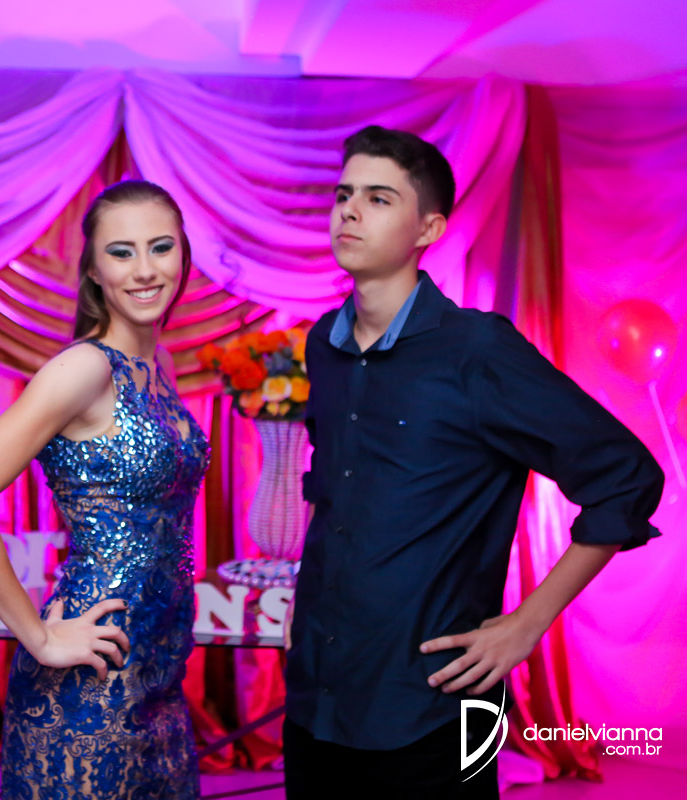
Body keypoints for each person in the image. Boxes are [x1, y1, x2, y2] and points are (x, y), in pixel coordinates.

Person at [282, 125, 664, 798]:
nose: (349, 211)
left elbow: (625, 477)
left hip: (440, 699)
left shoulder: (477, 350)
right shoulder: (324, 346)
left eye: (378, 198)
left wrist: (527, 624)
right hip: (320, 691)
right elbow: (337, 496)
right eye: (344, 195)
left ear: (428, 229)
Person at [0, 180, 209, 799]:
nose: (145, 270)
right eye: (121, 252)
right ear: (93, 272)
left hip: (160, 676)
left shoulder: (159, 371)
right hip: (92, 679)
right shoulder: (85, 368)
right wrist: (38, 636)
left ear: (184, 256)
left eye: (161, 247)